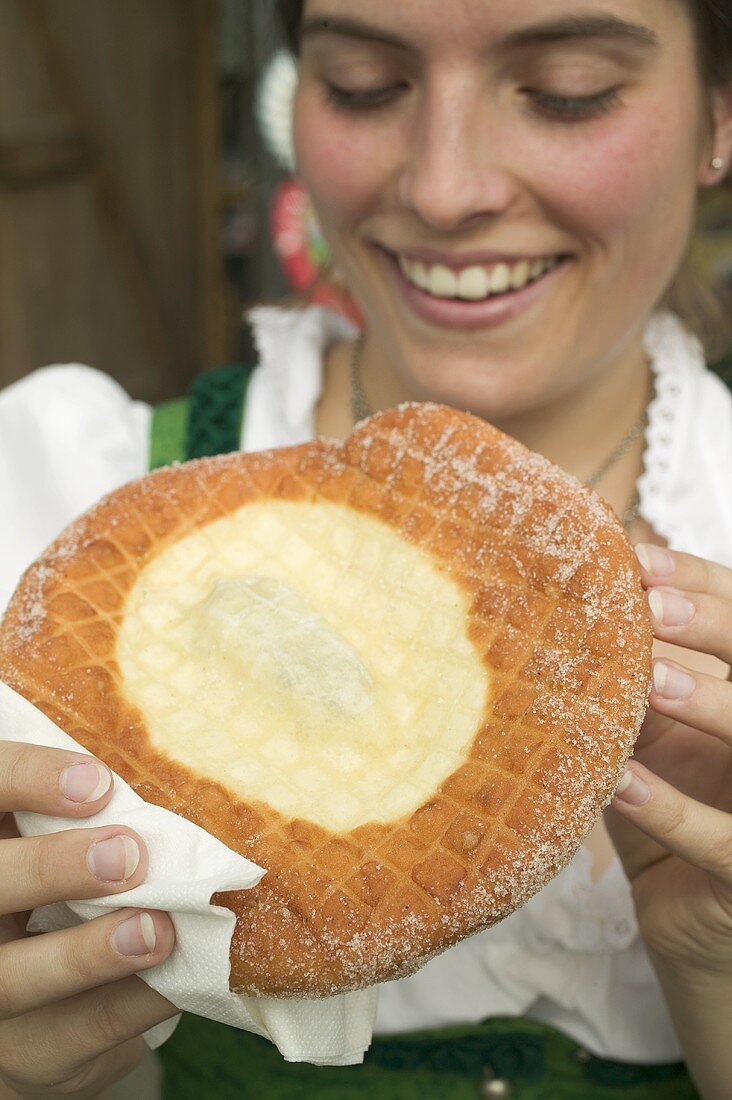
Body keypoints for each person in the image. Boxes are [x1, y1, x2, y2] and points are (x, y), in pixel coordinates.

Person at [0, 1, 731, 1097]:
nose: (444, 186)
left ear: (721, 114)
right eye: (360, 83)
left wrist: (715, 976)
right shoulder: (47, 488)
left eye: (567, 87)